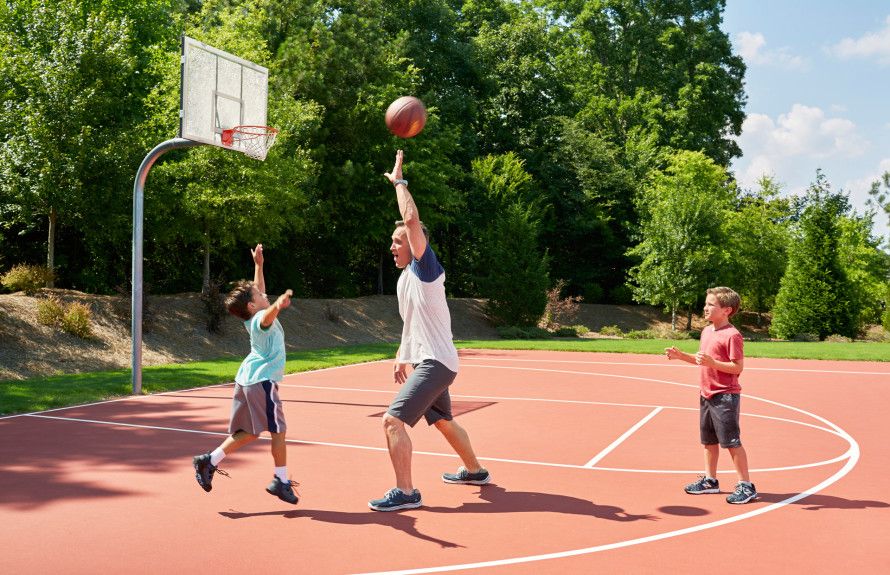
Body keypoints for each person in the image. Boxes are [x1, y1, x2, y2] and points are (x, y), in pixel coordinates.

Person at [368, 150, 490, 512]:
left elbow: (410, 217)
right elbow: (412, 323)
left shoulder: (426, 269)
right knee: (443, 421)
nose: (392, 245)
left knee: (392, 421)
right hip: (434, 359)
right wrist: (400, 355)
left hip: (436, 362)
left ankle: (406, 493)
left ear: (415, 242)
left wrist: (399, 181)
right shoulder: (407, 279)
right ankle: (475, 471)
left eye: (398, 240)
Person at [191, 244, 299, 505]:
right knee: (278, 431)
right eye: (259, 294)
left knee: (250, 432)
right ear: (253, 304)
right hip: (262, 382)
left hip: (246, 380)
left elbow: (258, 294)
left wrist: (259, 265)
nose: (263, 292)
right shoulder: (261, 318)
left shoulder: (250, 316)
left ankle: (209, 460)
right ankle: (281, 481)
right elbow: (267, 314)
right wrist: (278, 304)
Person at [665, 286, 757, 504]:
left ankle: (746, 485)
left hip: (725, 396)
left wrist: (714, 363)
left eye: (710, 304)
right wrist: (681, 356)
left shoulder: (732, 335)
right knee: (708, 441)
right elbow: (702, 361)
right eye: (706, 303)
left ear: (727, 310)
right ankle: (710, 481)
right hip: (706, 394)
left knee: (732, 442)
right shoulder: (707, 331)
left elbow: (737, 368)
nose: (705, 308)